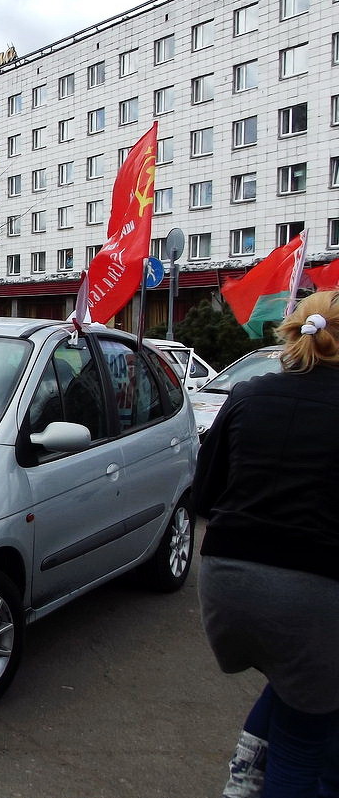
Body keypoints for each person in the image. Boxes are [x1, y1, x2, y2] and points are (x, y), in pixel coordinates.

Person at [193, 289, 339, 798]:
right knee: (308, 733)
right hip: (311, 589)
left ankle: (246, 769)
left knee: (296, 678)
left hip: (225, 582)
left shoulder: (248, 394)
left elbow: (204, 492)